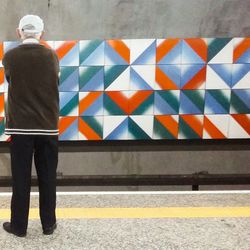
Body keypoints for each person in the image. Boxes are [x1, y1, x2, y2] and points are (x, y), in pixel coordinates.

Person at [2, 14, 60, 237]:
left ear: (19, 32)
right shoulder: (51, 56)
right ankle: (48, 224)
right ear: (41, 34)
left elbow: (10, 79)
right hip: (48, 127)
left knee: (21, 177)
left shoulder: (11, 56)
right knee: (48, 176)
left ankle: (19, 226)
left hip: (21, 128)